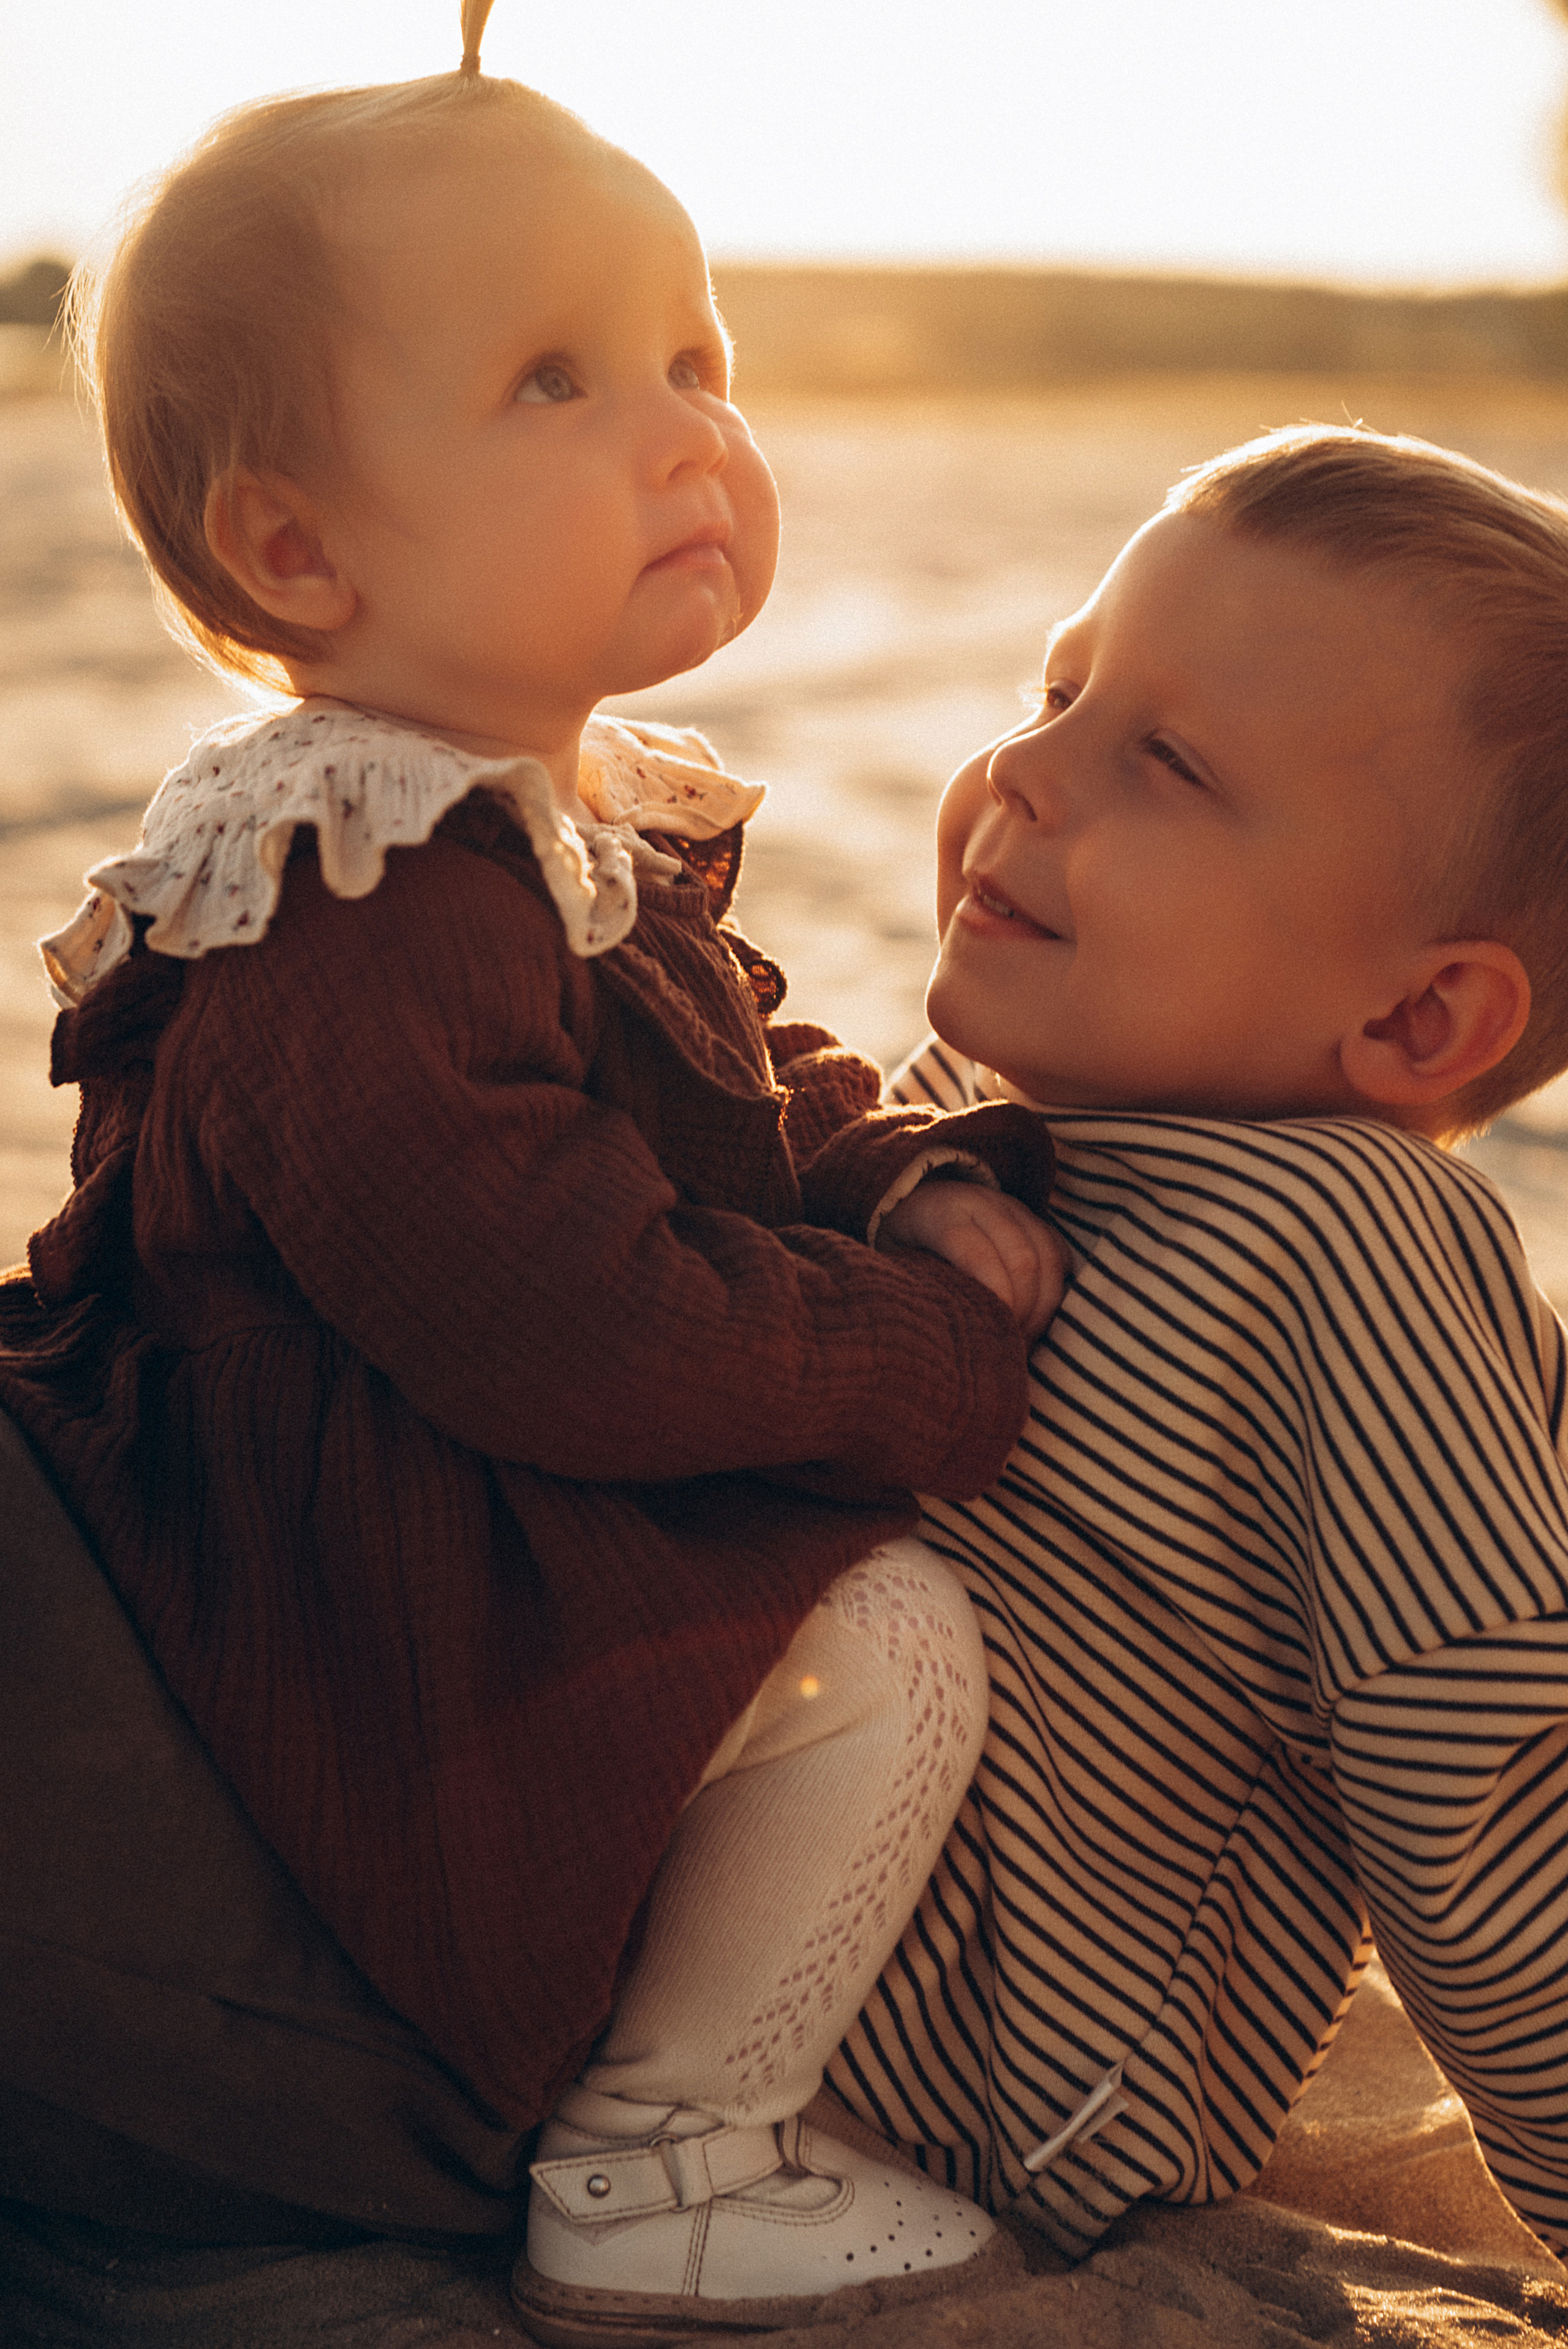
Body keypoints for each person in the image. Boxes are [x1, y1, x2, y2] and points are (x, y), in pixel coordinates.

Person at [0, 47, 1068, 2348]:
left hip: (447, 1484)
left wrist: (891, 1168)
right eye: (557, 379)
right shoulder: (358, 890)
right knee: (889, 1639)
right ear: (300, 550)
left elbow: (724, 1075)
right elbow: (554, 1305)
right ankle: (669, 2152)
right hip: (342, 1575)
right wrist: (927, 1352)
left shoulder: (533, 815)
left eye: (700, 356)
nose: (687, 427)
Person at [820, 423, 1568, 2265]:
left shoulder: (1360, 1243)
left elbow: (1481, 1781)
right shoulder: (957, 1109)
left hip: (964, 2078)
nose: (1023, 768)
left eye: (1163, 757)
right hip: (683, 1882)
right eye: (1055, 685)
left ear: (1420, 1014)